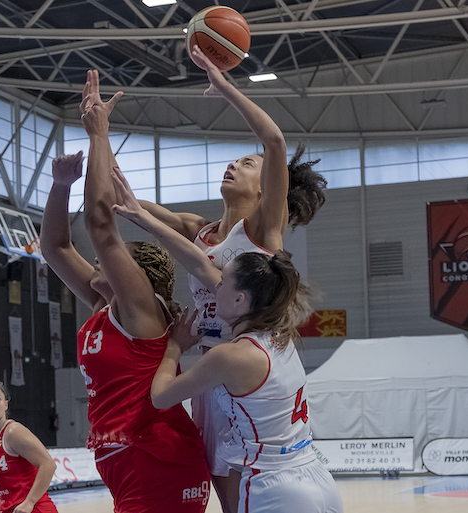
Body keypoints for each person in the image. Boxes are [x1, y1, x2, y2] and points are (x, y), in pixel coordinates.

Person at [136, 44, 327, 513]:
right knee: (222, 485)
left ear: (267, 187)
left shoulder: (264, 226)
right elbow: (130, 204)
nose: (233, 164)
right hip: (211, 365)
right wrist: (101, 156)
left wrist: (224, 87)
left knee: (248, 477)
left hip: (251, 364)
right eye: (234, 160)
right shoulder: (196, 228)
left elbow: (275, 143)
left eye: (246, 162)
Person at [110, 170, 343, 513]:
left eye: (223, 283)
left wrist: (175, 346)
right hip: (315, 476)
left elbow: (160, 397)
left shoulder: (231, 357)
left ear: (240, 300)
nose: (214, 284)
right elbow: (197, 262)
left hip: (271, 484)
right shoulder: (282, 335)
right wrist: (142, 216)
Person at [39, 70, 210, 513]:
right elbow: (55, 248)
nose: (97, 264)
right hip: (126, 462)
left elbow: (101, 226)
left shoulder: (141, 312)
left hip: (159, 458)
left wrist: (99, 134)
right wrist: (60, 188)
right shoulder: (105, 306)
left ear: (134, 276)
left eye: (108, 262)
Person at [0, 382, 58, 513]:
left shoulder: (13, 432)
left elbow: (48, 464)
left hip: (35, 509)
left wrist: (29, 502)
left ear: (5, 405)